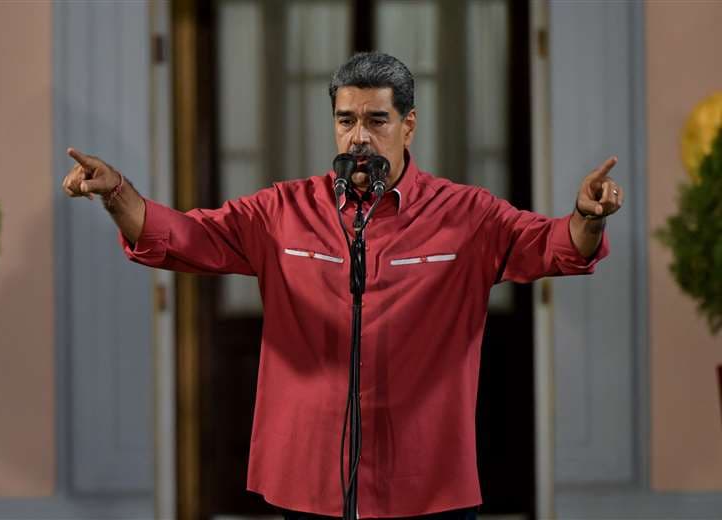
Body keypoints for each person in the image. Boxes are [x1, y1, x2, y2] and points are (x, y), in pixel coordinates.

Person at [61, 52, 622, 520]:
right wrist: (117, 194)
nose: (358, 137)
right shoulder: (280, 210)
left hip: (427, 479)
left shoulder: (467, 215)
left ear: (408, 125)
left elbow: (554, 246)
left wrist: (586, 217)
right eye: (346, 120)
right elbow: (183, 236)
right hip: (310, 478)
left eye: (376, 121)